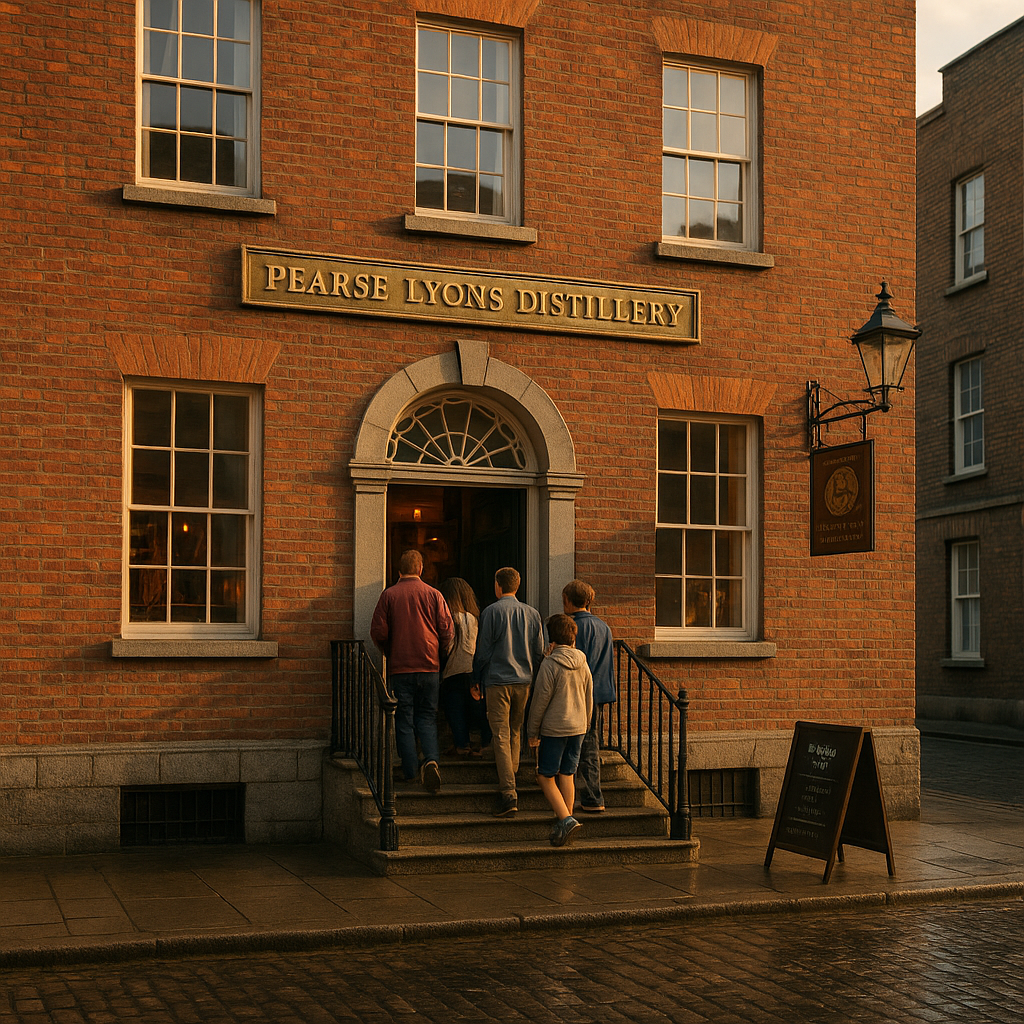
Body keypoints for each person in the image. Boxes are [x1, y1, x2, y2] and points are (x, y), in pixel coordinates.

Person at [369, 549, 454, 793]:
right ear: (420, 569)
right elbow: (447, 630)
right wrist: (440, 651)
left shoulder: (389, 595)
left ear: (399, 570)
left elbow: (379, 631)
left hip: (401, 667)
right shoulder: (434, 594)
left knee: (404, 720)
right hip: (429, 667)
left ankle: (409, 770)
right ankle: (431, 760)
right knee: (427, 717)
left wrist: (388, 651)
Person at [473, 566, 544, 816]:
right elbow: (539, 652)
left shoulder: (491, 612)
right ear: (518, 585)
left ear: (497, 585)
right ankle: (511, 772)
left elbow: (483, 651)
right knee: (515, 729)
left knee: (500, 734)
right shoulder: (533, 614)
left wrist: (476, 678)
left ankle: (508, 792)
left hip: (497, 680)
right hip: (524, 680)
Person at [527, 613, 593, 847]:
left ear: (550, 638)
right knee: (567, 774)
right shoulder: (583, 662)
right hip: (578, 727)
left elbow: (540, 701)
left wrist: (532, 732)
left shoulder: (550, 664)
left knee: (544, 775)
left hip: (555, 728)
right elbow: (588, 695)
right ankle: (566, 821)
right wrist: (586, 723)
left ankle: (565, 819)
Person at [562, 579, 616, 814]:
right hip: (599, 693)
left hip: (577, 693)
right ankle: (593, 796)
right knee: (591, 744)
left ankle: (580, 794)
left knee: (574, 744)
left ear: (567, 600)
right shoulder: (604, 627)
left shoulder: (571, 627)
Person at [438, 577, 490, 757]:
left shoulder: (449, 617)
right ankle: (484, 744)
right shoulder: (476, 618)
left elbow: (447, 645)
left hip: (453, 669)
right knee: (475, 707)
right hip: (473, 669)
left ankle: (461, 744)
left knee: (455, 708)